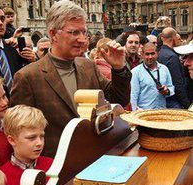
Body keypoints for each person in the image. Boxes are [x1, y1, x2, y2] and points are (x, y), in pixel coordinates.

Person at [10, 0, 130, 156]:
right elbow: (21, 131)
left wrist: (119, 68)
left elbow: (119, 99)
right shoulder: (28, 77)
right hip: (56, 166)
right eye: (74, 32)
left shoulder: (88, 66)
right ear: (53, 34)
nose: (82, 39)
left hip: (94, 156)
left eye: (84, 32)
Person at [0, 105, 54, 185]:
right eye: (31, 138)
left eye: (42, 136)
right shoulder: (2, 176)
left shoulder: (52, 165)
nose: (39, 143)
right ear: (12, 140)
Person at [131, 43, 174, 110]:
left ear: (157, 53)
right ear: (142, 55)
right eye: (147, 54)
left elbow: (171, 87)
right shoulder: (135, 72)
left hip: (162, 112)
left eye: (152, 53)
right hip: (143, 114)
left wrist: (167, 91)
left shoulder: (164, 69)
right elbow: (133, 96)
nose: (150, 57)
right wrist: (134, 113)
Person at [157, 27, 190, 109]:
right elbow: (177, 83)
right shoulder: (172, 57)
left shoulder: (159, 54)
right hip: (173, 100)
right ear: (173, 38)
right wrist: (187, 105)